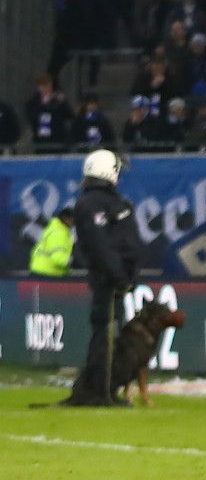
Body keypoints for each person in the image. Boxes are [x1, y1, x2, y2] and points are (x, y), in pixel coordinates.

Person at [65, 150, 140, 407]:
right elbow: (101, 246)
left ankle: (100, 390)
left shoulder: (103, 202)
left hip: (113, 279)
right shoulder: (93, 204)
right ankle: (100, 394)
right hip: (108, 281)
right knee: (106, 336)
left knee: (109, 335)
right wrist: (119, 275)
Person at [30, 205, 76, 277]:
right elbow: (58, 258)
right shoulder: (58, 233)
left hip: (43, 272)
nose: (75, 223)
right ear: (66, 219)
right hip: (46, 274)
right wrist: (75, 262)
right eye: (74, 219)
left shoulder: (57, 229)